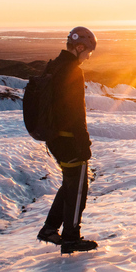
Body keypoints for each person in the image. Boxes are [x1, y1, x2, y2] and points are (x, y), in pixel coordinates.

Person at [36, 26, 98, 254]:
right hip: (69, 140)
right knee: (78, 189)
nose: (89, 56)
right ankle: (71, 237)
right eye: (88, 51)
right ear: (79, 47)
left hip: (54, 139)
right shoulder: (72, 70)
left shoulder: (54, 66)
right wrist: (84, 144)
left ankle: (50, 229)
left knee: (70, 184)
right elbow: (75, 112)